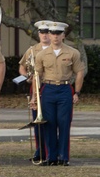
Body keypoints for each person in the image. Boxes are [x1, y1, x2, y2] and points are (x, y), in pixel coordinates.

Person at [34, 21, 84, 166]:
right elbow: (37, 75)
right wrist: (35, 96)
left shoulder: (72, 52)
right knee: (48, 124)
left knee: (64, 123)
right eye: (52, 33)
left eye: (58, 34)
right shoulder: (41, 54)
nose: (55, 37)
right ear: (49, 35)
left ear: (63, 35)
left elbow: (79, 72)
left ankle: (63, 156)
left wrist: (78, 92)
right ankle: (51, 156)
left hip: (64, 89)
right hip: (48, 89)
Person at [19, 21, 51, 163]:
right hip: (36, 86)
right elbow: (22, 67)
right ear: (38, 34)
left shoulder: (56, 48)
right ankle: (40, 150)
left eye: (47, 32)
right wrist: (27, 76)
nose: (44, 35)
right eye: (42, 32)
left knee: (50, 121)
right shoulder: (32, 50)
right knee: (37, 120)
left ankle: (51, 151)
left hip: (50, 85)